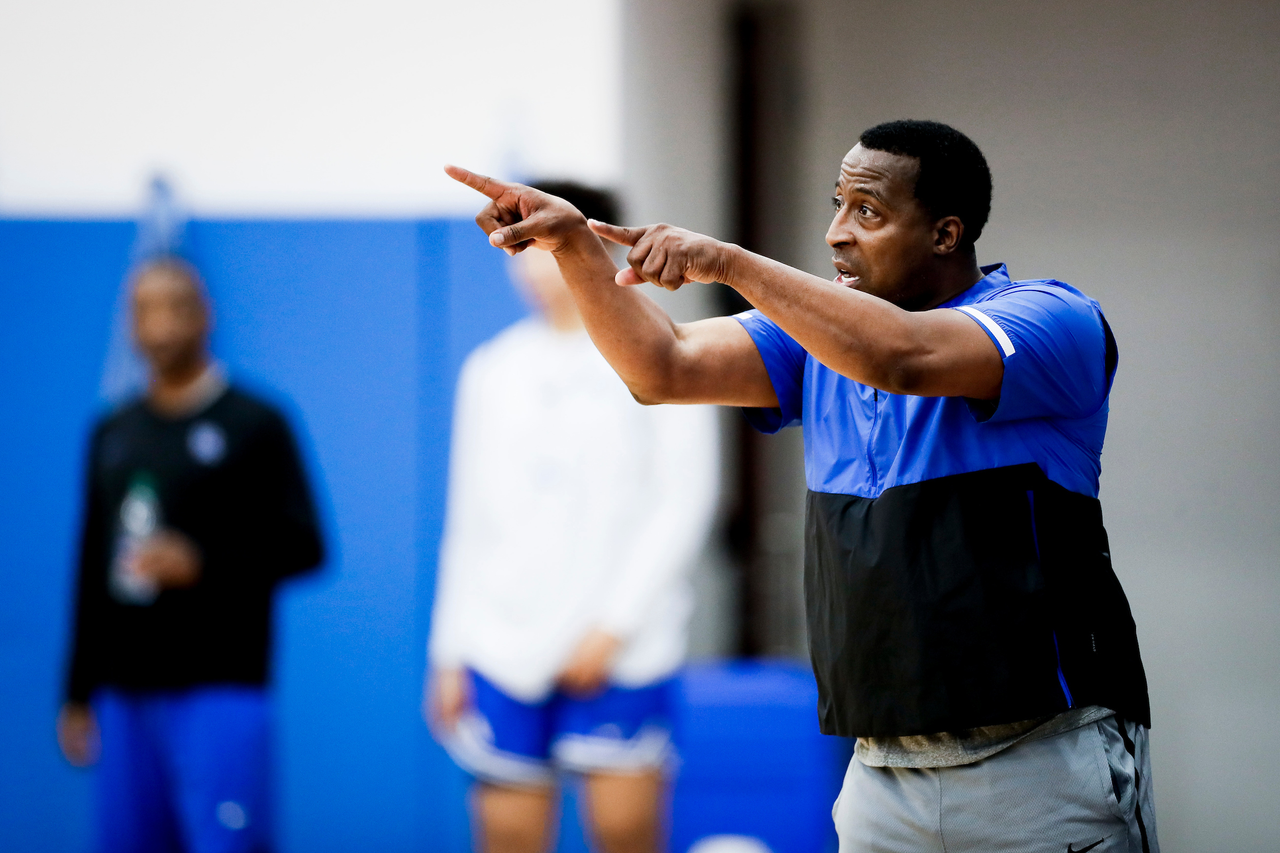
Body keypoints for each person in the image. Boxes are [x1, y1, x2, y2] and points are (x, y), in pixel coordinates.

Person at [445, 120, 1158, 853]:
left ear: (946, 234)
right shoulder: (814, 343)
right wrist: (575, 248)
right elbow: (662, 366)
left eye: (867, 211)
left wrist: (729, 263)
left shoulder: (1053, 320)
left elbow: (902, 356)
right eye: (836, 205)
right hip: (882, 772)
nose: (837, 232)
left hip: (1039, 757)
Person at [424, 182, 719, 853]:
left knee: (623, 829)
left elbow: (684, 499)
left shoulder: (662, 347)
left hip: (621, 654)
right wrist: (449, 652)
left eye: (546, 243)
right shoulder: (492, 369)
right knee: (508, 832)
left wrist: (614, 626)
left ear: (591, 241)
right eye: (519, 246)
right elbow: (469, 520)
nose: (533, 265)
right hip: (503, 646)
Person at [57, 257, 325, 853]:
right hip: (124, 690)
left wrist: (202, 562)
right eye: (144, 311)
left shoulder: (256, 422)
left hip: (220, 683)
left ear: (205, 315)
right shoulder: (112, 431)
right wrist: (76, 692)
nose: (161, 326)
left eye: (176, 308)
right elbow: (90, 562)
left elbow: (306, 545)